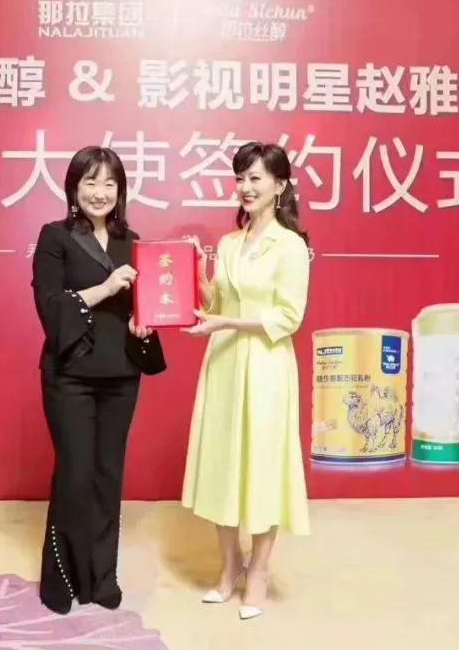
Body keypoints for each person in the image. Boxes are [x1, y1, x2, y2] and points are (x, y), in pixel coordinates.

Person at [30, 146, 166, 615]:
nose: (100, 192)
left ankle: (102, 577)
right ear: (73, 188)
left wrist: (144, 322)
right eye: (90, 181)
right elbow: (50, 307)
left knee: (108, 477)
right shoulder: (55, 237)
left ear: (121, 190)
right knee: (74, 475)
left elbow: (147, 305)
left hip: (121, 375)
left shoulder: (133, 241)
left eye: (110, 183)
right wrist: (105, 289)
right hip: (70, 376)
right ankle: (61, 579)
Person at [181, 141, 311, 620]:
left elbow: (289, 317)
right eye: (240, 178)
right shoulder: (229, 244)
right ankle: (229, 565)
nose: (245, 187)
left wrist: (227, 324)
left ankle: (258, 571)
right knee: (223, 464)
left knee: (261, 467)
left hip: (267, 367)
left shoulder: (291, 245)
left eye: (255, 178)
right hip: (224, 363)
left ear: (280, 185)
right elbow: (216, 306)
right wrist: (198, 279)